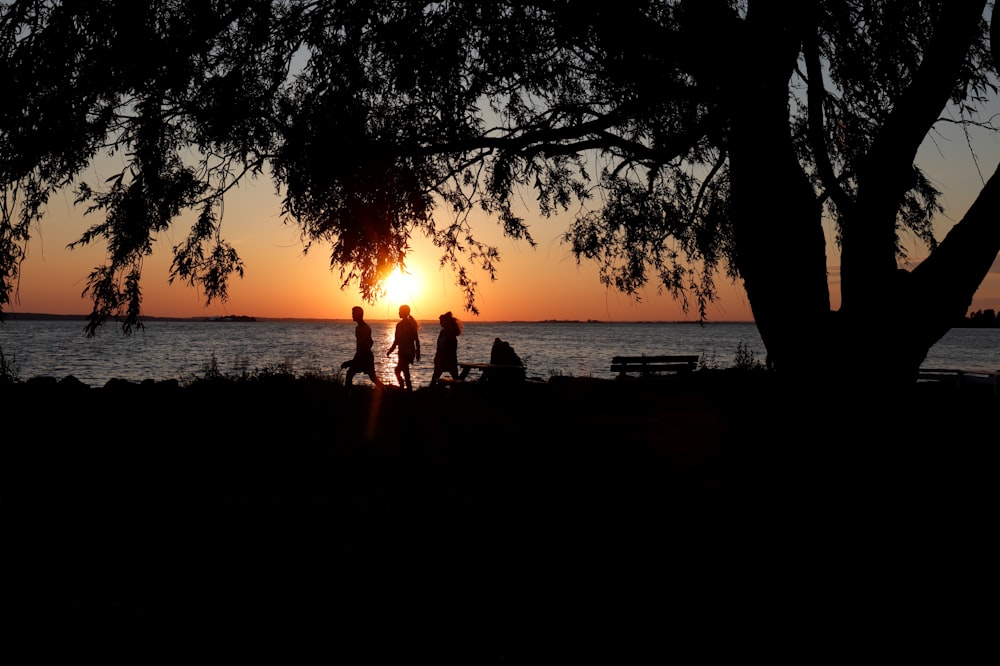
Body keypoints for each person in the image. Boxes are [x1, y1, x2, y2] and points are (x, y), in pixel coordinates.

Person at [341, 306, 383, 391]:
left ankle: (385, 393)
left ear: (359, 315)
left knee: (372, 378)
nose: (352, 315)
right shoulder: (357, 328)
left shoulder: (365, 328)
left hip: (365, 357)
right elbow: (370, 342)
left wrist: (351, 362)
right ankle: (347, 395)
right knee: (350, 374)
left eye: (353, 314)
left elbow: (367, 344)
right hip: (360, 355)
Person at [386, 304, 421, 390]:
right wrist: (390, 350)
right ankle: (407, 389)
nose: (398, 313)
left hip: (408, 353)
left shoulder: (411, 325)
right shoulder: (399, 325)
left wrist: (417, 352)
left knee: (399, 370)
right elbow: (396, 340)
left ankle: (404, 387)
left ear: (405, 312)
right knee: (404, 371)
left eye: (400, 311)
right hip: (402, 352)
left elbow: (416, 339)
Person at [430, 311, 463, 386]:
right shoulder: (444, 332)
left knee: (454, 378)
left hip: (447, 359)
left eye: (441, 321)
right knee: (436, 376)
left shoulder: (450, 333)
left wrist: (440, 357)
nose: (440, 323)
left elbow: (448, 348)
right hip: (445, 359)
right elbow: (439, 347)